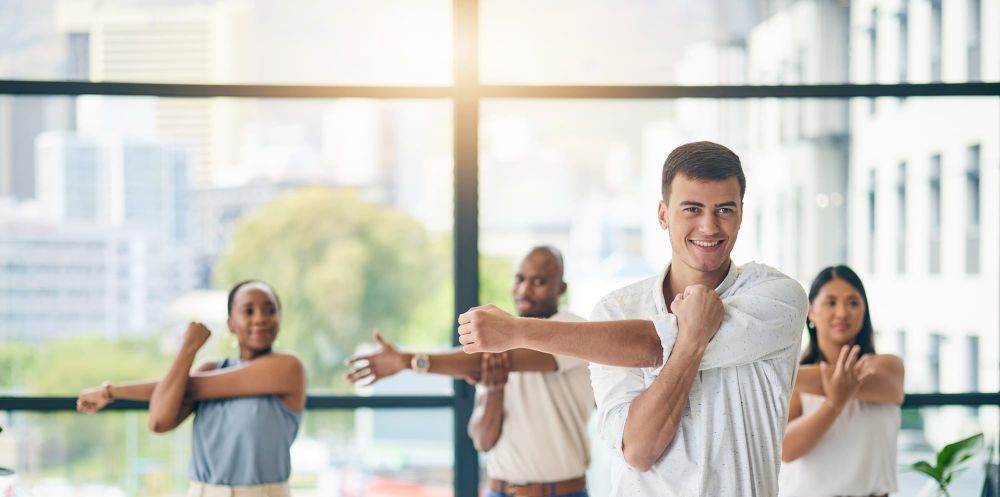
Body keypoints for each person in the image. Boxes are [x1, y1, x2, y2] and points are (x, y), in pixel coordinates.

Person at [457, 141, 808, 496]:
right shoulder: (616, 311)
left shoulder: (777, 297)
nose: (709, 226)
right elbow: (639, 450)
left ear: (741, 214)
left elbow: (651, 344)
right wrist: (692, 339)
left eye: (724, 210)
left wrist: (517, 330)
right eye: (692, 209)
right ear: (662, 215)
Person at [345, 246, 594, 497]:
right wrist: (494, 391)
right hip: (498, 490)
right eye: (519, 279)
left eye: (539, 281)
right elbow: (482, 441)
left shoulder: (571, 329)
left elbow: (486, 359)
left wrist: (405, 361)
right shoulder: (501, 343)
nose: (524, 290)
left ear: (561, 288)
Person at [77, 280, 306, 497]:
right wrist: (188, 348)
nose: (260, 319)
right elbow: (159, 422)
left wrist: (111, 392)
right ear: (230, 323)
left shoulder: (288, 368)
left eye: (270, 310)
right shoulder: (210, 368)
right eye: (248, 311)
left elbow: (194, 388)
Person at [778, 265, 904, 497]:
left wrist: (784, 374)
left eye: (853, 303)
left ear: (864, 311)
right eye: (831, 302)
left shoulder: (887, 367)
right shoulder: (795, 379)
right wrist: (833, 404)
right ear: (811, 312)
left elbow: (856, 381)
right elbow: (786, 450)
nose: (842, 312)